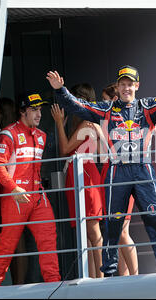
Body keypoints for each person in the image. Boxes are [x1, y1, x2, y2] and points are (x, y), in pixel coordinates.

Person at [47, 65, 156, 276]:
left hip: (142, 168)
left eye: (130, 84)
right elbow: (78, 106)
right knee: (113, 222)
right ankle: (110, 271)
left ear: (137, 86)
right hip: (117, 170)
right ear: (118, 87)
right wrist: (60, 91)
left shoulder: (147, 106)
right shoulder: (106, 109)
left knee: (153, 216)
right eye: (122, 84)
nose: (126, 88)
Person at [0, 93, 61, 286]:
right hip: (14, 198)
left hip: (37, 197)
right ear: (22, 111)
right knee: (7, 245)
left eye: (40, 109)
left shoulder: (42, 136)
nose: (39, 114)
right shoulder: (7, 134)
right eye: (34, 109)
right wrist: (13, 188)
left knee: (48, 239)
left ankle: (54, 285)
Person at [51, 83, 104, 278]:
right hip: (81, 175)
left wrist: (58, 123)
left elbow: (64, 149)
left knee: (93, 232)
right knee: (88, 236)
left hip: (86, 177)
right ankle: (92, 277)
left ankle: (102, 278)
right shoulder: (84, 123)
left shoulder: (86, 124)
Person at [101, 83, 138, 276]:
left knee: (122, 230)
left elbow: (110, 149)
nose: (102, 106)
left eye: (105, 101)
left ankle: (135, 275)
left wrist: (99, 130)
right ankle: (125, 278)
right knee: (119, 230)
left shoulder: (123, 121)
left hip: (124, 176)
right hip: (115, 176)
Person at [0, 97, 28, 285]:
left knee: (15, 240)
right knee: (14, 240)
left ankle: (18, 285)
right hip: (15, 187)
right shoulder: (16, 131)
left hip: (9, 188)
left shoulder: (2, 134)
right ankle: (17, 284)